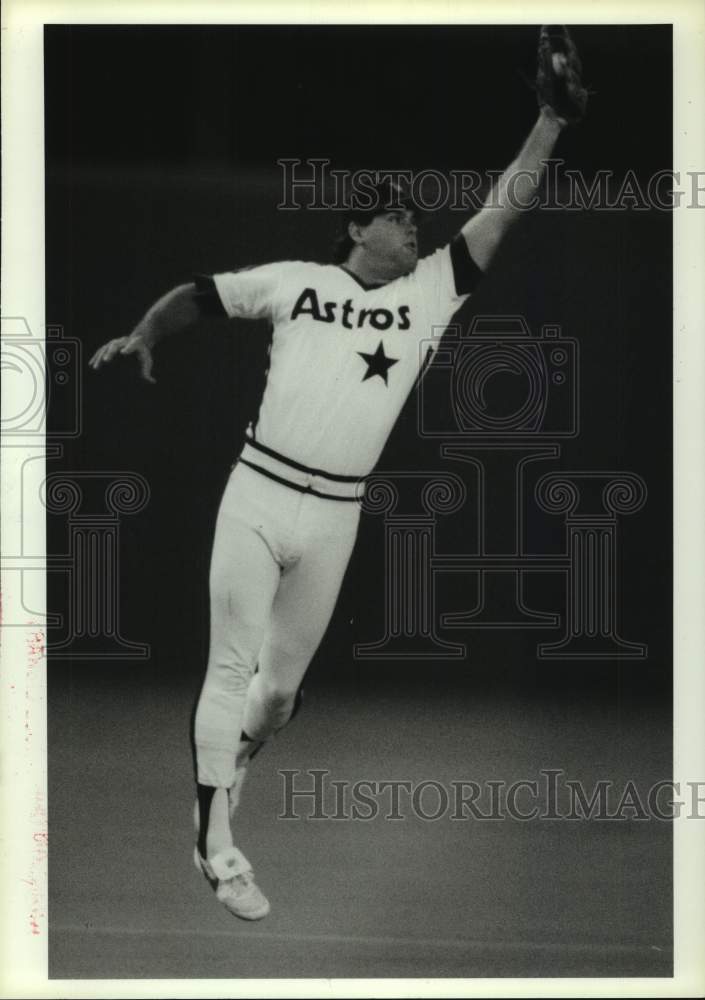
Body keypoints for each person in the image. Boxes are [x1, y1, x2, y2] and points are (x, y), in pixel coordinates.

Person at [90, 26, 587, 922]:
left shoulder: (432, 289)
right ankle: (215, 844)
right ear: (356, 228)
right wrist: (145, 334)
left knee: (276, 695)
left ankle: (235, 760)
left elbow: (505, 206)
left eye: (412, 217)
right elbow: (201, 293)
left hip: (334, 518)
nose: (412, 225)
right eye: (395, 215)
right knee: (229, 666)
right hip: (259, 491)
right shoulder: (294, 281)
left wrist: (550, 122)